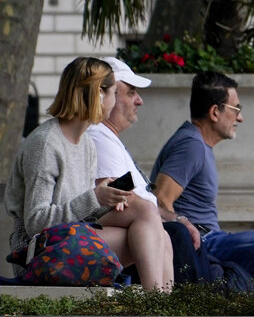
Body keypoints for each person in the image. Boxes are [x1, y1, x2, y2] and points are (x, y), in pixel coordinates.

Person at [5, 57, 173, 290]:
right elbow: (36, 223)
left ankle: (161, 305)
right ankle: (156, 305)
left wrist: (107, 196)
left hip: (72, 237)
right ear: (99, 94)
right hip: (38, 253)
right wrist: (95, 197)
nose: (115, 101)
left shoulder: (86, 144)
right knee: (149, 226)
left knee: (154, 226)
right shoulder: (45, 144)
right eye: (115, 92)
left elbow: (80, 211)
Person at [87, 57, 209, 285]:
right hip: (120, 234)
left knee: (184, 235)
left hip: (138, 230)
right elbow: (119, 200)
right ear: (103, 95)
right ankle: (172, 309)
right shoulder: (97, 136)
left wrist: (178, 218)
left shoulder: (108, 138)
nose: (139, 101)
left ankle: (189, 312)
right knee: (175, 235)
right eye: (130, 92)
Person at [149, 71, 254, 286]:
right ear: (215, 112)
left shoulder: (196, 143)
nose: (240, 118)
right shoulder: (192, 145)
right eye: (236, 109)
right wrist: (184, 226)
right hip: (204, 243)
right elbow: (160, 198)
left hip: (212, 238)